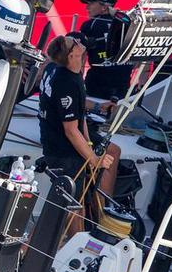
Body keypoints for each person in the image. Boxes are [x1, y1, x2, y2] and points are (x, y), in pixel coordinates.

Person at [39, 34, 122, 233]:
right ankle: (75, 247)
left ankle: (94, 220)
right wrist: (94, 160)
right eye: (74, 43)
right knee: (73, 209)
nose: (79, 44)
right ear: (71, 55)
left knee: (77, 208)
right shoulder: (66, 81)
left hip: (63, 145)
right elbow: (70, 129)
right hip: (62, 152)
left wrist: (89, 144)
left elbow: (79, 117)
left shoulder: (68, 73)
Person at [79, 0, 133, 100]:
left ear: (104, 7)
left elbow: (80, 56)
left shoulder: (90, 25)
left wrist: (77, 84)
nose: (87, 7)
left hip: (97, 87)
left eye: (91, 3)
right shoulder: (128, 23)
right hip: (123, 87)